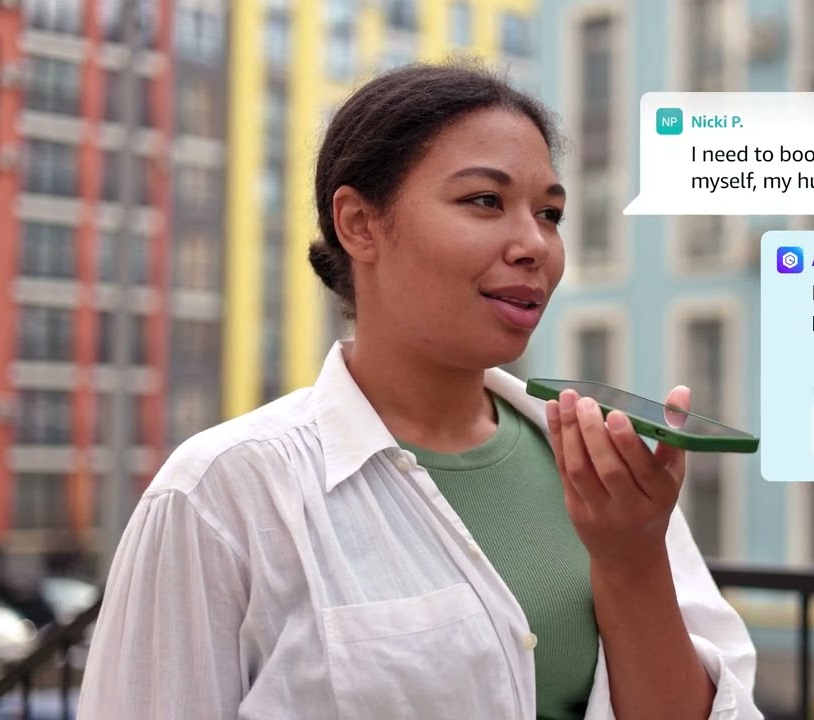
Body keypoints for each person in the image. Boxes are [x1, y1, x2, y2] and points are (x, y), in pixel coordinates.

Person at [76, 59, 761, 719]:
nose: (535, 246)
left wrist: (632, 558)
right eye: (485, 201)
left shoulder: (602, 468)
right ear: (359, 223)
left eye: (550, 213)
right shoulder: (222, 495)